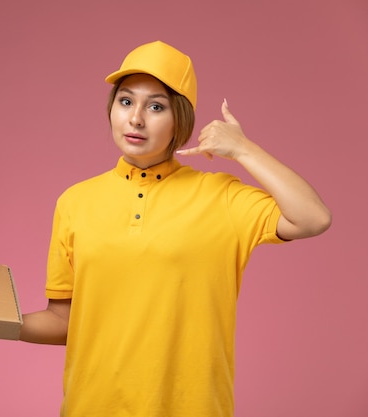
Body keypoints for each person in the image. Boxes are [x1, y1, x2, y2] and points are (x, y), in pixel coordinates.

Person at [19, 40, 331, 417]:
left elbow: (313, 218)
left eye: (156, 106)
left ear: (180, 120)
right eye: (125, 101)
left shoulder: (222, 198)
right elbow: (63, 322)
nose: (135, 119)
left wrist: (244, 150)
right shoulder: (75, 201)